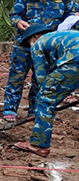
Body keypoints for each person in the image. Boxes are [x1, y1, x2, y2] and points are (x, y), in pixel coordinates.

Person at [2, 0, 78, 122]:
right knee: (17, 76)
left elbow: (71, 15)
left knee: (39, 79)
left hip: (48, 46)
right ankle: (10, 109)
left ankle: (34, 111)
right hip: (25, 43)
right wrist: (18, 22)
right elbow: (14, 14)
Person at [13, 24, 79, 157]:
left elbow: (41, 76)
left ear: (35, 36)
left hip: (75, 59)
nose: (29, 45)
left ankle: (38, 144)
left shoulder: (38, 44)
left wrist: (46, 104)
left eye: (28, 42)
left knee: (44, 98)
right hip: (74, 58)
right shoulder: (62, 37)